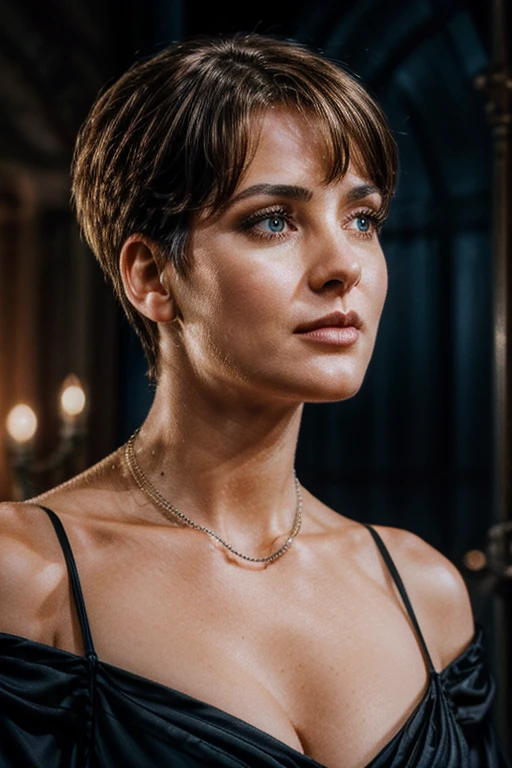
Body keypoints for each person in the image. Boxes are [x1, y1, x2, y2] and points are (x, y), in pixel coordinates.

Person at [0, 32, 508, 768]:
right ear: (151, 276)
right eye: (274, 219)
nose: (343, 267)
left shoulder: (426, 594)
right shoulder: (28, 579)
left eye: (362, 219)